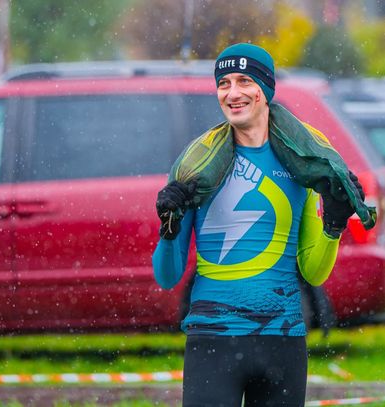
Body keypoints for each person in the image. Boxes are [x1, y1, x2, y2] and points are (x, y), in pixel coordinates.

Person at [152, 43, 364, 406]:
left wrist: (333, 224)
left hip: (283, 341)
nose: (232, 93)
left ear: (265, 89)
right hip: (213, 342)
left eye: (244, 81)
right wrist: (169, 230)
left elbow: (313, 273)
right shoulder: (195, 165)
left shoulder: (303, 160)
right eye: (224, 83)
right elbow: (167, 276)